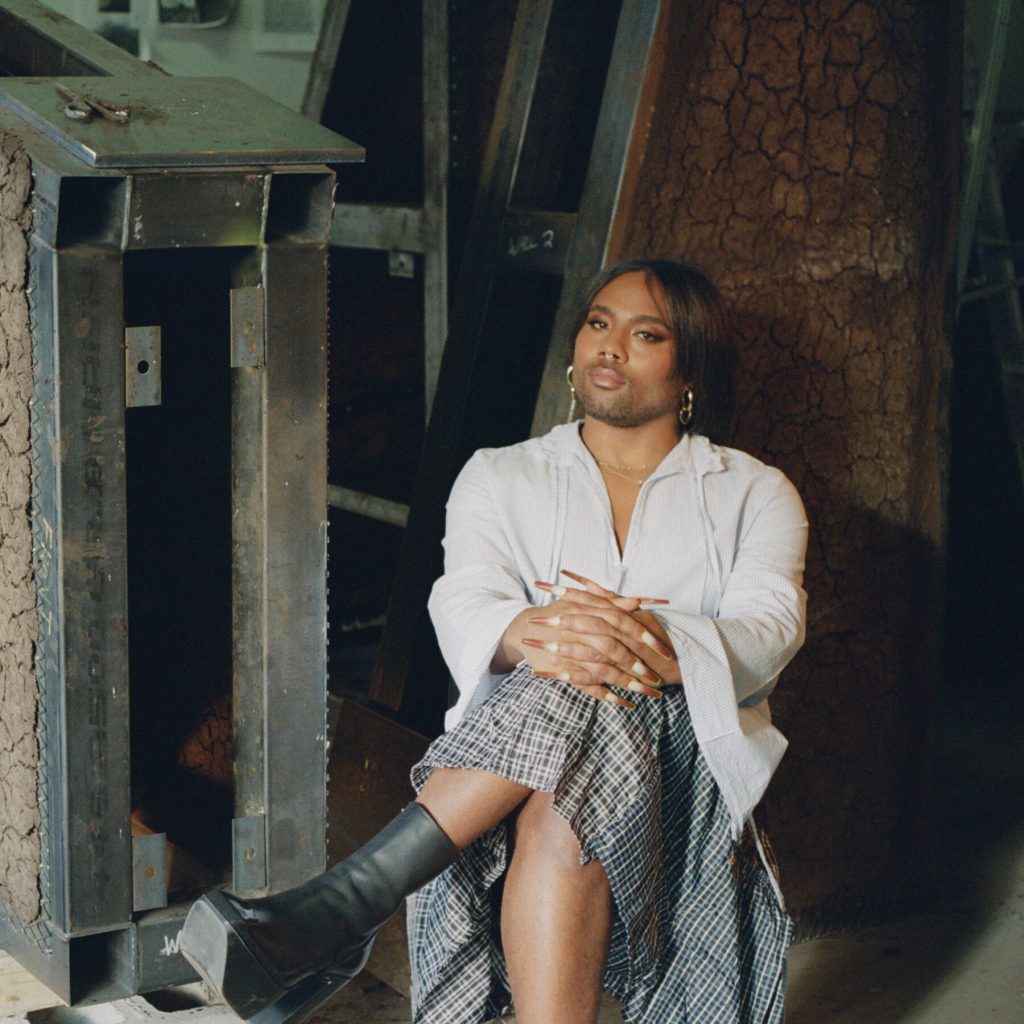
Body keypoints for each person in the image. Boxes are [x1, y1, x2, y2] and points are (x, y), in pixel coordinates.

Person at [180, 259, 808, 1024]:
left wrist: (647, 638)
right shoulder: (502, 476)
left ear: (691, 368)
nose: (609, 346)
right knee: (565, 798)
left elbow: (771, 626)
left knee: (582, 684)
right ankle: (340, 911)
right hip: (525, 772)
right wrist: (523, 631)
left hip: (688, 766)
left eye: (646, 335)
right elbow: (464, 595)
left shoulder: (752, 491)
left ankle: (345, 906)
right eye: (598, 323)